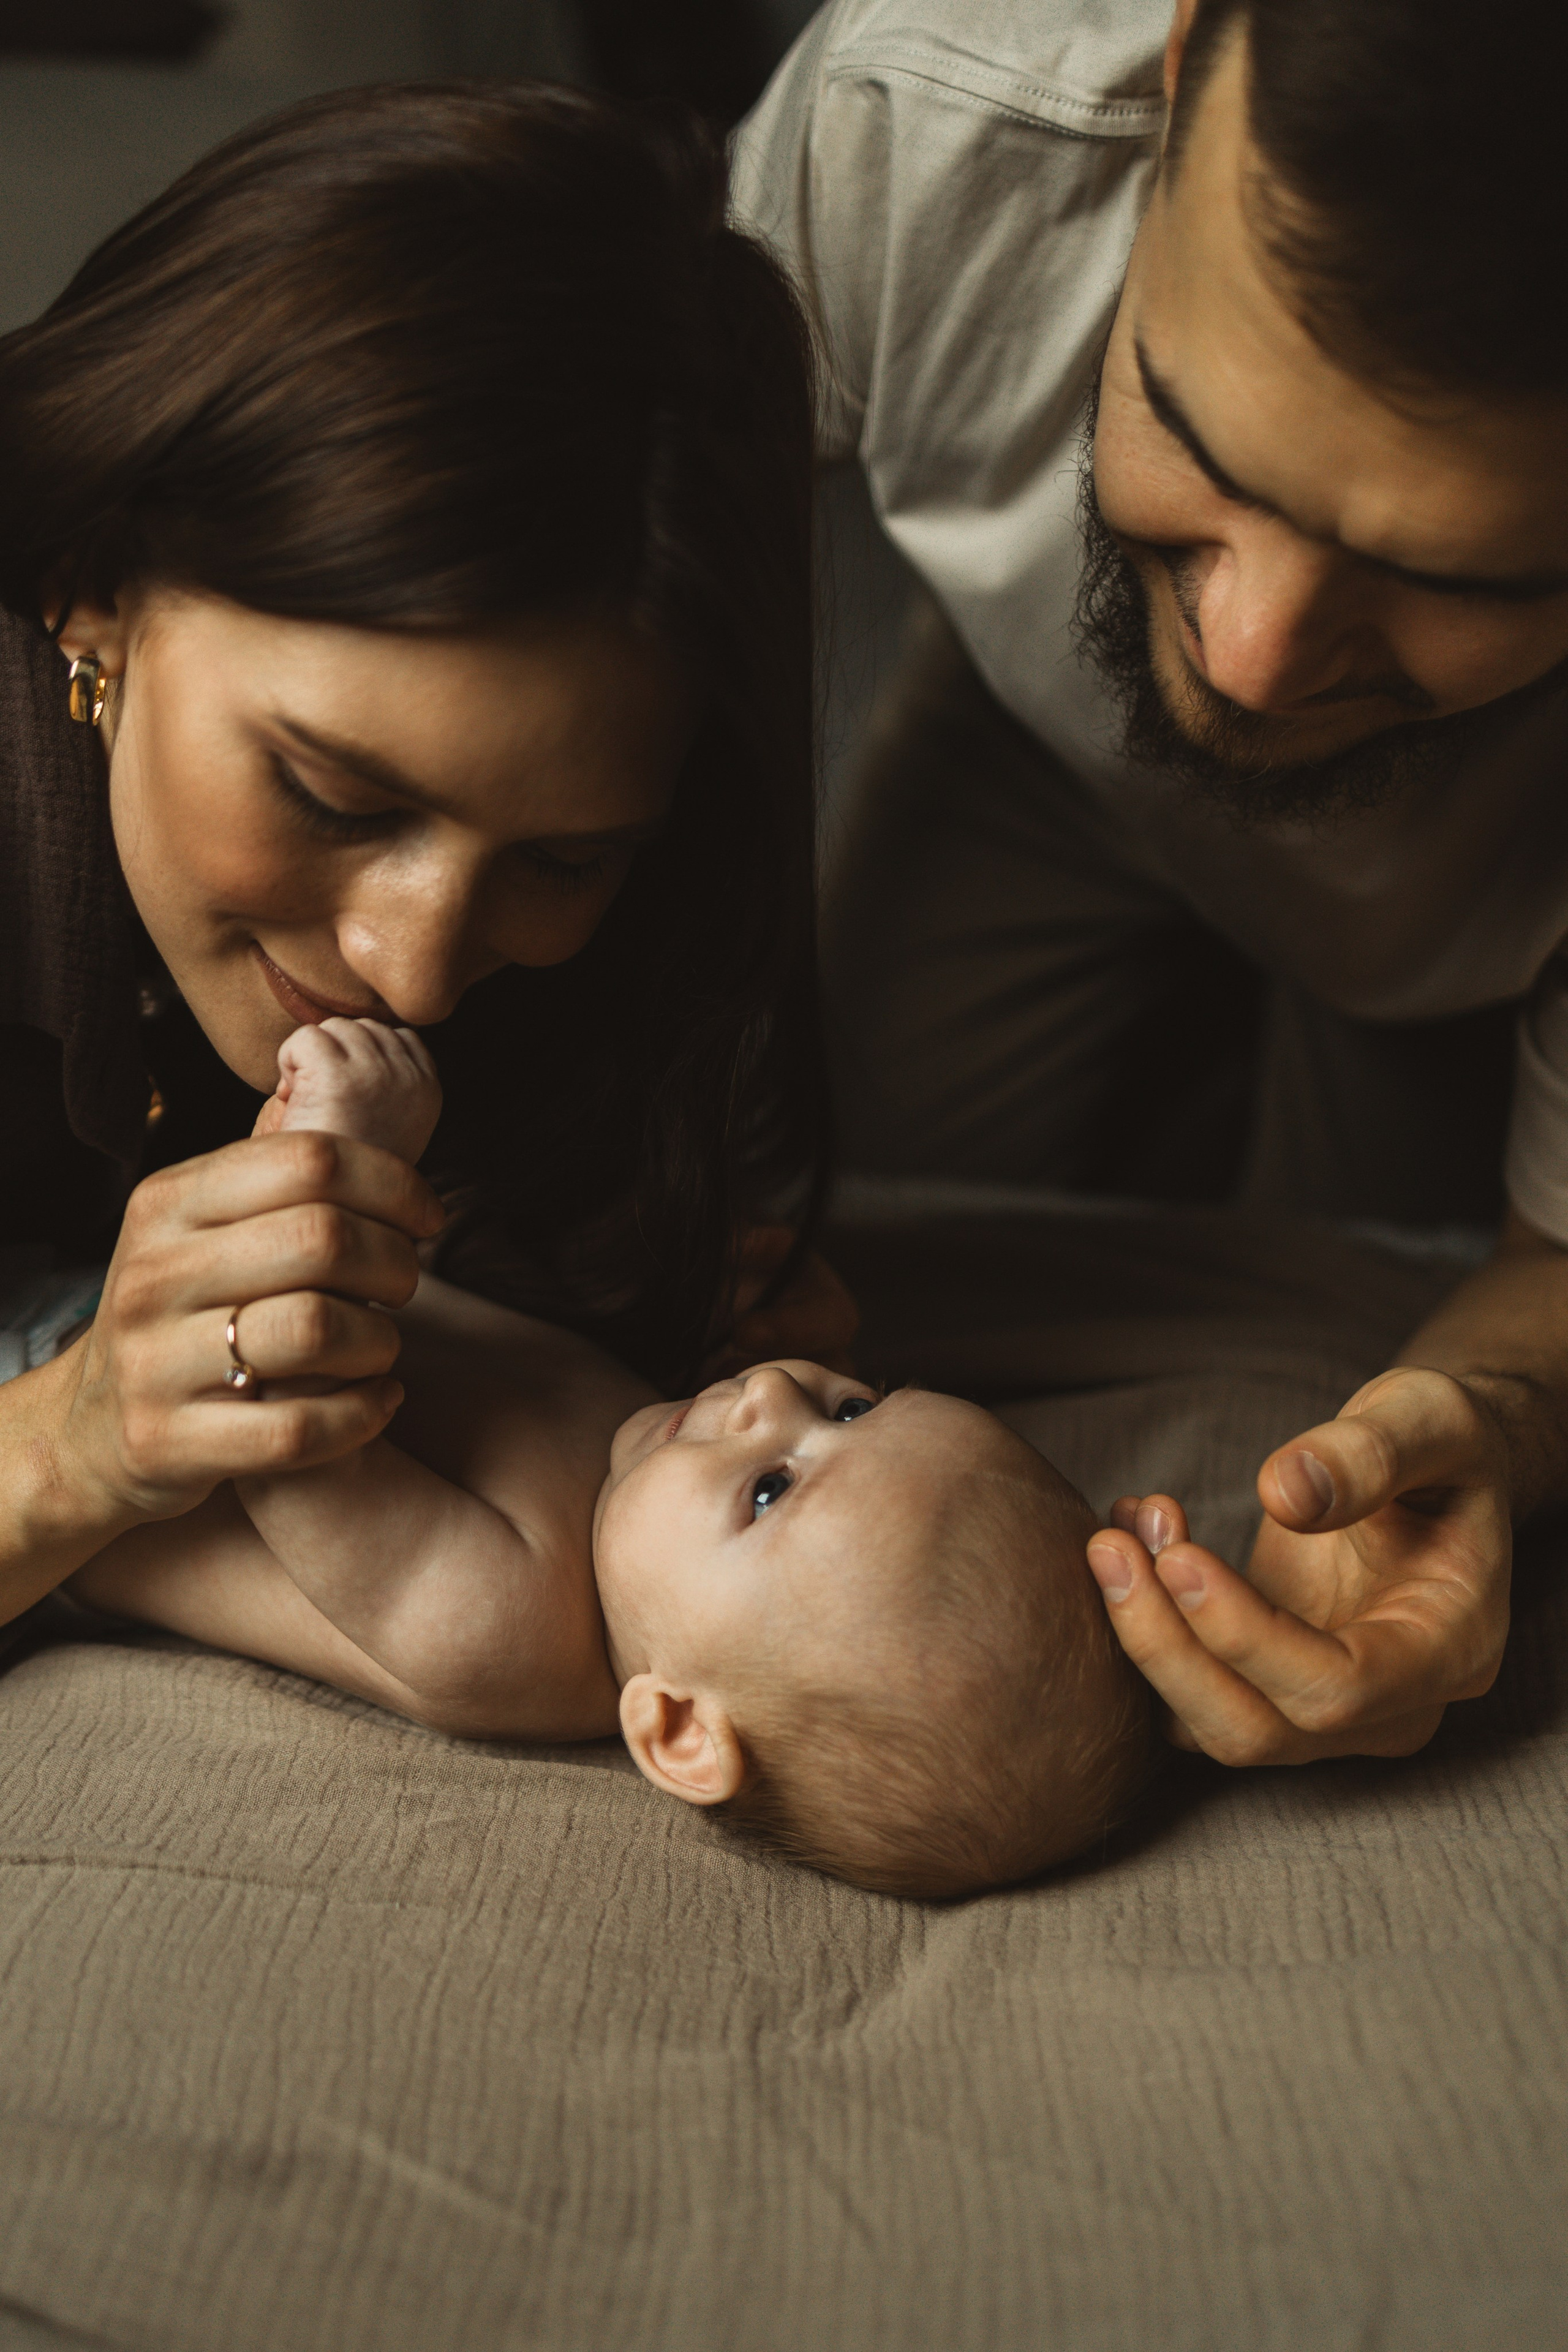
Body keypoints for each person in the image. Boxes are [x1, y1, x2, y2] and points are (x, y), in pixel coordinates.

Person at [731, 0, 1568, 1770]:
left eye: (1447, 573)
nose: (1256, 664)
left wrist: (1490, 1406)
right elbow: (621, 613)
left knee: (1338, 1366)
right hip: (1033, 738)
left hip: (1494, 944)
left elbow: (1548, 1263)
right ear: (1178, 77)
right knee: (868, 1206)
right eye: (1199, 437)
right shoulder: (929, 110)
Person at [0, 81, 856, 1635]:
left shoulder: (618, 963)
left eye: (561, 863)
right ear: (91, 584)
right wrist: (65, 1452)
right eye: (332, 798)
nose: (413, 966)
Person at [57, 1016, 1155, 1900]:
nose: (775, 1398)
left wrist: (337, 1162)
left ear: (675, 1727)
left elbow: (278, 1428)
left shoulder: (505, 1627)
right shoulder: (651, 1486)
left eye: (774, 1489)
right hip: (97, 1301)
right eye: (858, 1409)